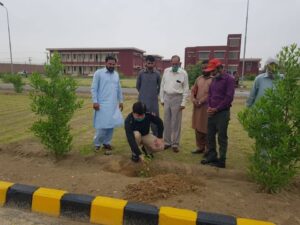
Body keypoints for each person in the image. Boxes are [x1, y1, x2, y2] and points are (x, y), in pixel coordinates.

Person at [200, 59, 235, 168]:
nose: (211, 73)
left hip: (222, 113)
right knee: (210, 135)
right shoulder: (214, 80)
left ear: (219, 68)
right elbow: (210, 94)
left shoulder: (229, 79)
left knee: (222, 136)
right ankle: (212, 156)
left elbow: (229, 97)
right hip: (212, 112)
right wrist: (210, 107)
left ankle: (222, 160)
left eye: (213, 70)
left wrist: (217, 108)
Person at [91, 55, 124, 155]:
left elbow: (119, 89)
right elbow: (94, 88)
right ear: (105, 63)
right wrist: (95, 101)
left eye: (113, 64)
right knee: (102, 126)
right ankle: (97, 144)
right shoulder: (99, 73)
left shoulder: (116, 75)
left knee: (111, 125)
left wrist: (121, 101)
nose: (111, 66)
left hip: (113, 104)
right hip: (102, 105)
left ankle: (106, 142)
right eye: (110, 64)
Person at [160, 55, 189, 152]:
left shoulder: (183, 73)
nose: (174, 65)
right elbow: (162, 85)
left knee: (176, 122)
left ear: (180, 63)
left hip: (177, 98)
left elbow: (185, 89)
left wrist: (183, 102)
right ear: (170, 63)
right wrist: (162, 99)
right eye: (173, 64)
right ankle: (167, 142)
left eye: (176, 64)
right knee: (166, 121)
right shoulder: (166, 71)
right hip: (167, 97)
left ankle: (175, 144)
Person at [190, 60, 212, 155]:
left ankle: (208, 149)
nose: (204, 69)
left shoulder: (213, 80)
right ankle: (200, 147)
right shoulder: (199, 79)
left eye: (206, 67)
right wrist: (193, 99)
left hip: (207, 108)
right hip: (197, 107)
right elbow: (193, 90)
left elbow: (210, 94)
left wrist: (200, 101)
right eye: (203, 68)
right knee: (197, 127)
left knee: (206, 128)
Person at [136, 55, 161, 136]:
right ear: (145, 63)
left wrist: (154, 94)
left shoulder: (157, 74)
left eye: (152, 63)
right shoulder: (141, 73)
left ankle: (156, 137)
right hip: (142, 101)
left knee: (154, 120)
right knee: (141, 119)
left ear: (154, 64)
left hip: (153, 102)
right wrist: (144, 93)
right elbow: (138, 86)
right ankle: (142, 137)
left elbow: (160, 86)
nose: (150, 65)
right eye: (148, 63)